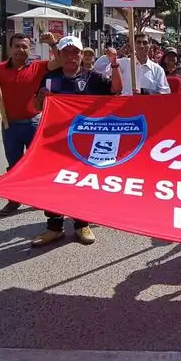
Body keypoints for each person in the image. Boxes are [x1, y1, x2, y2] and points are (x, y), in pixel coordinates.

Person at [32, 36, 122, 247]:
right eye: (67, 52)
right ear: (59, 55)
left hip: (84, 143)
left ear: (82, 55)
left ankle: (82, 223)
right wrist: (41, 97)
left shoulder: (94, 78)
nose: (71, 57)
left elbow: (116, 89)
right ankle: (54, 226)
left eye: (76, 52)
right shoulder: (49, 78)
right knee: (53, 183)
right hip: (54, 141)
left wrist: (115, 63)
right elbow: (37, 107)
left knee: (81, 183)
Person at [0, 33, 62, 216]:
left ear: (30, 49)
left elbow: (60, 62)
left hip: (33, 123)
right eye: (17, 46)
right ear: (10, 49)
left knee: (39, 164)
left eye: (24, 46)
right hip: (9, 125)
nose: (20, 50)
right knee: (14, 165)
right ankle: (14, 199)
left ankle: (41, 197)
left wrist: (53, 44)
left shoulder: (37, 66)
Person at [96, 32, 170, 95]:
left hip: (147, 108)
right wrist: (117, 54)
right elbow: (99, 69)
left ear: (150, 45)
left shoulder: (158, 70)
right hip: (125, 108)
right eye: (138, 42)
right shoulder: (123, 63)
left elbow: (165, 93)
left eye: (145, 43)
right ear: (134, 45)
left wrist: (144, 92)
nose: (141, 46)